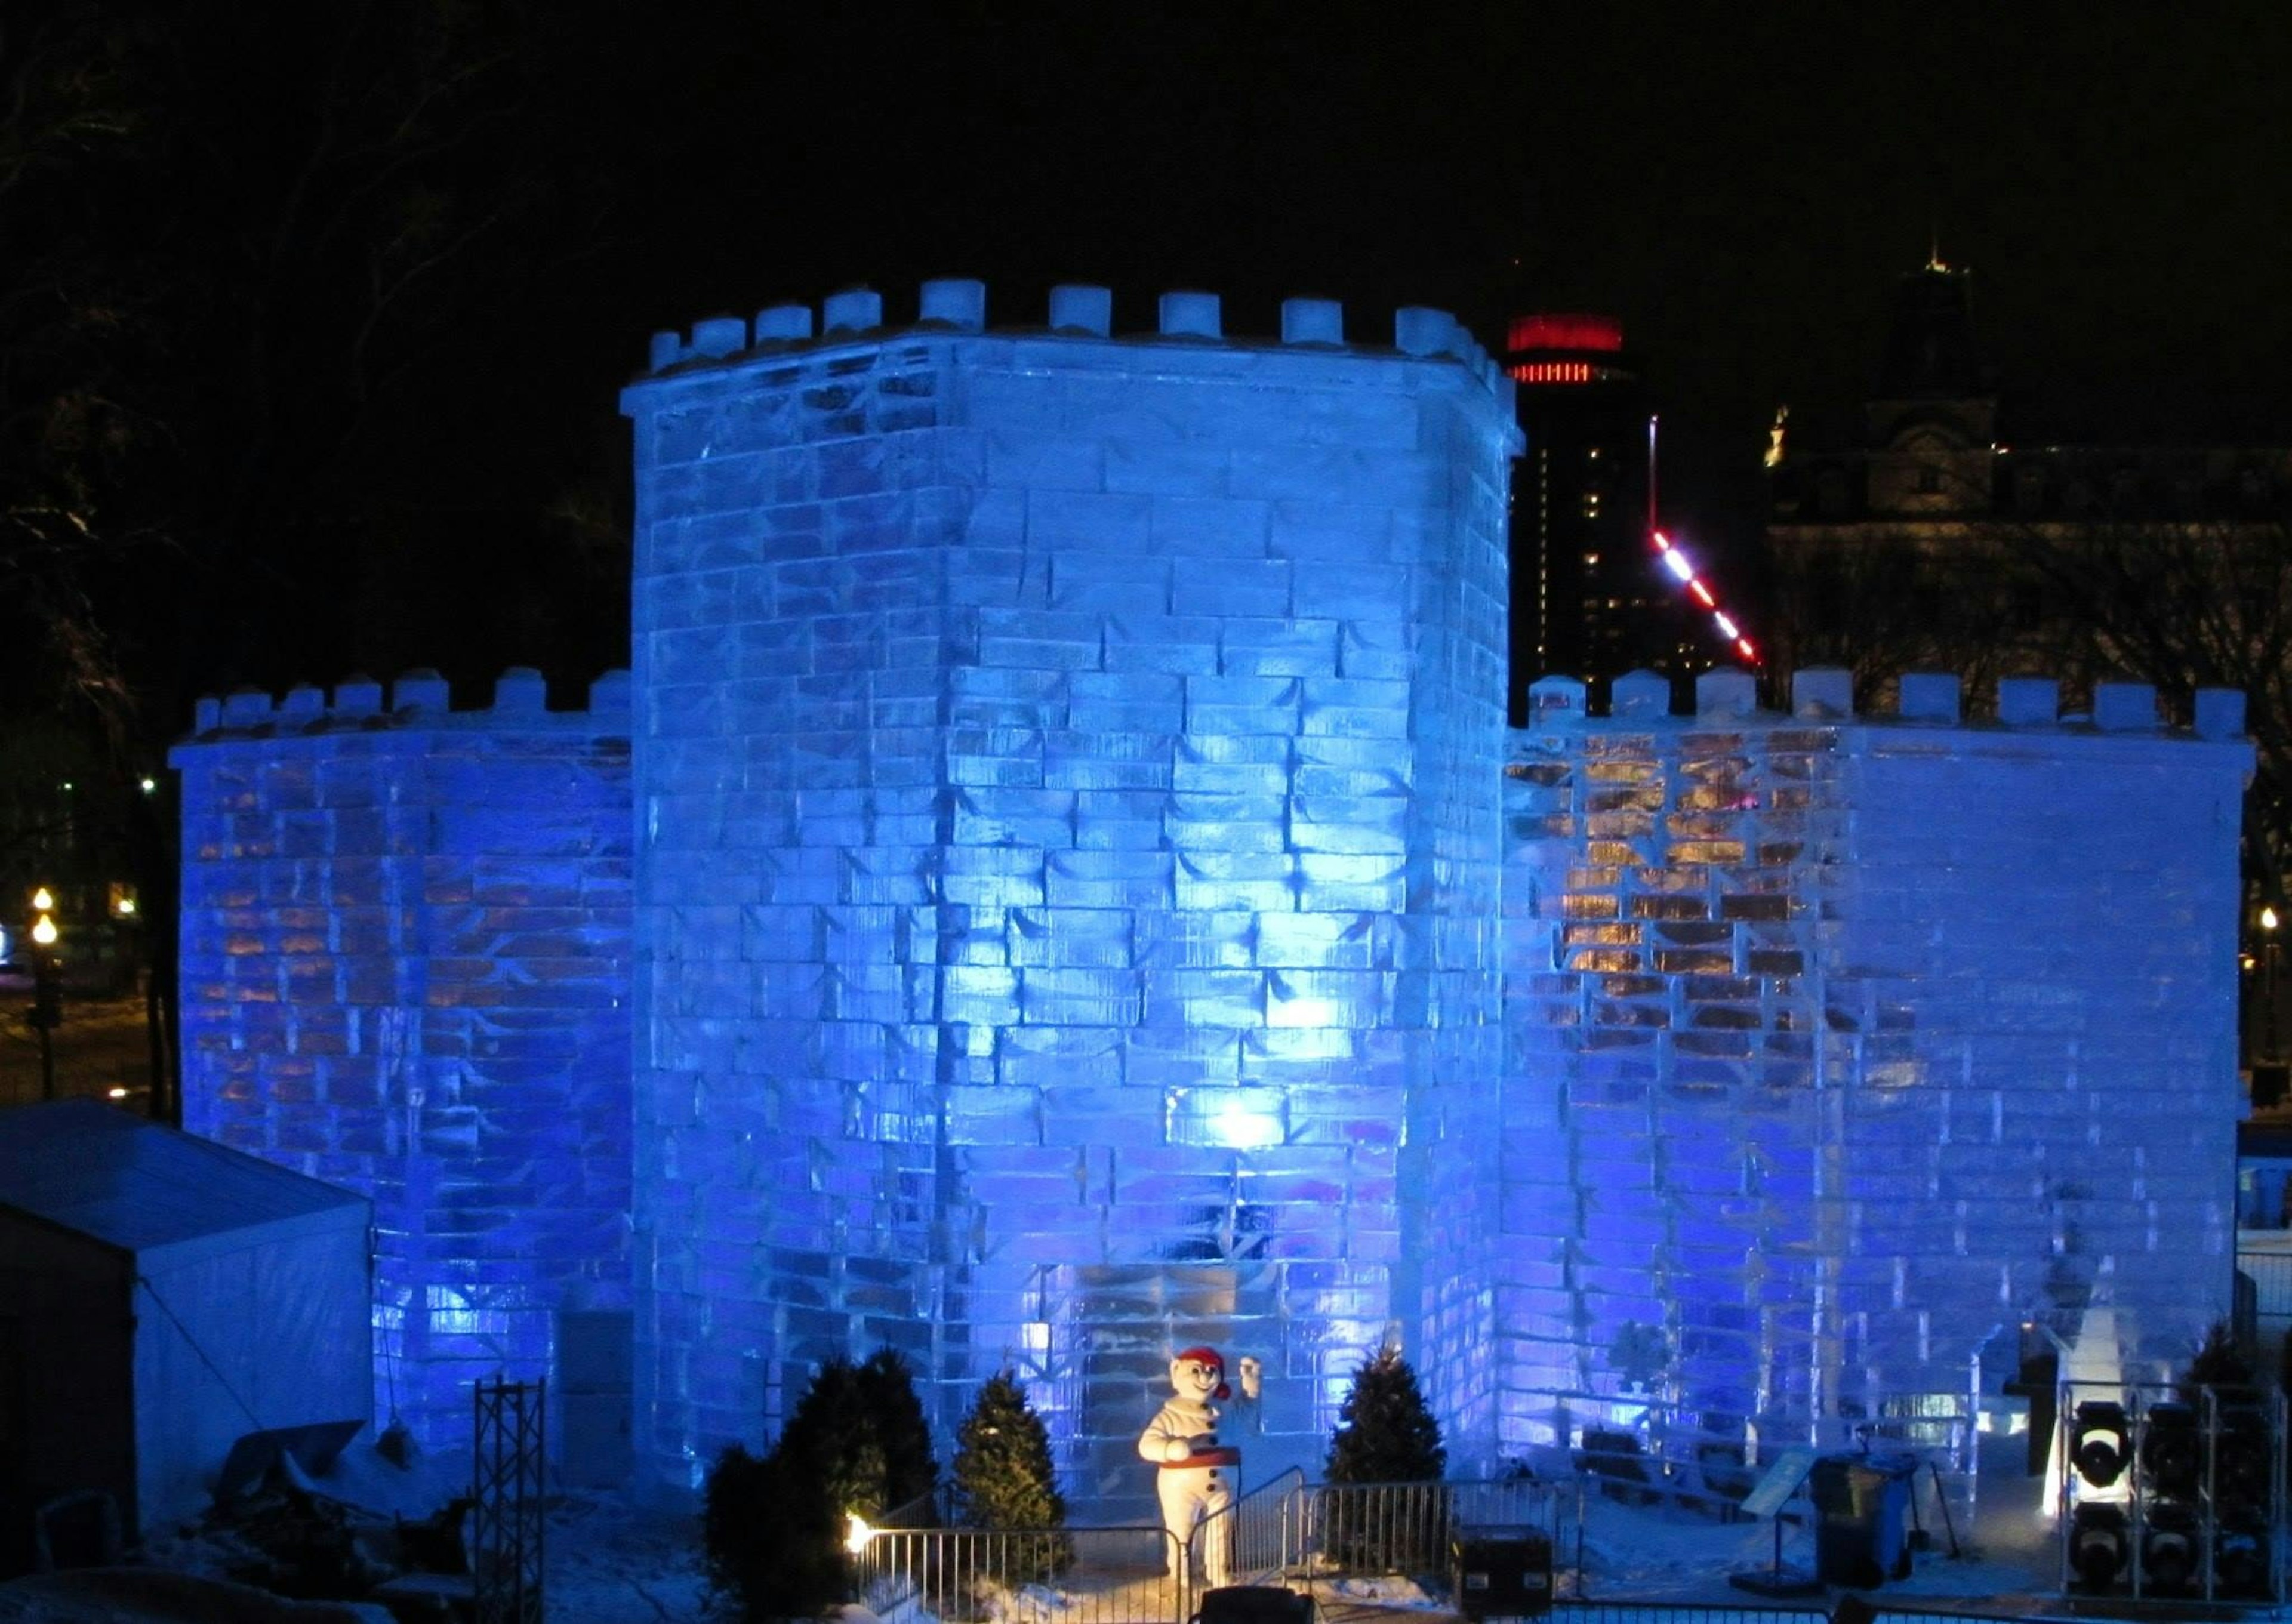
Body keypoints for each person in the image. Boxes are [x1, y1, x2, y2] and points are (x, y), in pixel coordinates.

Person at [1138, 1345, 1238, 1584]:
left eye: (1211, 1370)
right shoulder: (1170, 1416)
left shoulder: (1219, 1413)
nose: (1205, 1376)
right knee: (1181, 1530)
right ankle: (1181, 1573)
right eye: (1196, 1370)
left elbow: (1248, 1420)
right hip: (1179, 1485)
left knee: (1220, 1529)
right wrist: (1170, 1449)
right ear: (1177, 1372)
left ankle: (1218, 1571)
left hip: (1219, 1483)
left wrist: (1253, 1388)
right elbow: (1146, 1445)